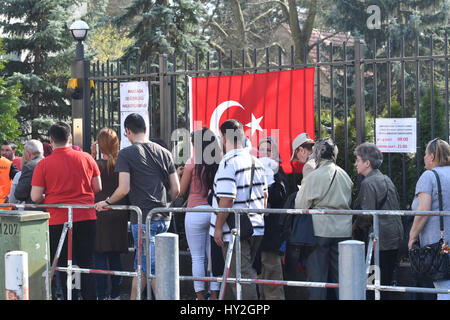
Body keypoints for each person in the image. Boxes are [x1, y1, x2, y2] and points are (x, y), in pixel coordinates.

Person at [94, 113, 180, 300]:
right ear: (146, 129)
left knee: (148, 267)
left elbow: (124, 188)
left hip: (142, 219)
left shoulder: (126, 154)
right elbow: (176, 189)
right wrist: (165, 205)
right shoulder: (164, 152)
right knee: (143, 266)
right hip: (164, 217)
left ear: (127, 131)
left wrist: (107, 202)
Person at [31, 121, 102, 300]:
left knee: (66, 264)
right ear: (69, 137)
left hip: (58, 219)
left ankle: (72, 295)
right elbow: (98, 187)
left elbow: (35, 197)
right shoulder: (86, 158)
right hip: (86, 216)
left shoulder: (43, 164)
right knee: (86, 263)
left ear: (51, 140)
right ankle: (89, 297)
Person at [211, 119, 268, 300]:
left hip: (235, 230)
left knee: (241, 277)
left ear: (223, 138)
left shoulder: (228, 163)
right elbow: (265, 196)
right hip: (256, 226)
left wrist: (218, 227)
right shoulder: (256, 162)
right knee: (239, 274)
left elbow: (227, 199)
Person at [294, 138, 353, 300]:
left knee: (317, 279)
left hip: (319, 231)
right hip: (344, 231)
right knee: (342, 279)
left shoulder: (313, 176)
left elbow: (300, 205)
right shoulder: (345, 175)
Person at [352, 142, 404, 300]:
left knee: (374, 283)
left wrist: (355, 226)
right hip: (394, 236)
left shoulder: (368, 183)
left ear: (367, 163)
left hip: (380, 240)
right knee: (386, 281)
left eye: (358, 160)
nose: (355, 163)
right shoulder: (386, 179)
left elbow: (367, 214)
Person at [177, 127, 221, 300]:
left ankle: (201, 297)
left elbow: (181, 191)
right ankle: (216, 295)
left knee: (197, 257)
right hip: (214, 211)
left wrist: (180, 174)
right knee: (214, 256)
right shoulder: (218, 161)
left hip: (194, 211)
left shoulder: (192, 162)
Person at [408, 138, 450, 300]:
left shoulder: (429, 176)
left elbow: (423, 210)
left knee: (444, 287)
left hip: (440, 243)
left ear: (432, 156)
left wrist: (412, 237)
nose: (424, 158)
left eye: (425, 154)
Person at [91, 128, 130, 300]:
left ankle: (101, 295)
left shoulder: (95, 164)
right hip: (119, 213)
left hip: (99, 212)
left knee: (99, 255)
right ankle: (115, 294)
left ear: (99, 144)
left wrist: (92, 156)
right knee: (116, 257)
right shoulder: (122, 164)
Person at [256, 136, 288, 300]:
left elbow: (279, 196)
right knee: (261, 277)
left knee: (272, 277)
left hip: (272, 233)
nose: (264, 153)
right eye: (261, 150)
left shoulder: (278, 173)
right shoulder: (254, 171)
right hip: (256, 233)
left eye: (268, 150)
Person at [14, 140, 44, 205]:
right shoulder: (49, 163)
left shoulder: (29, 167)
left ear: (27, 153)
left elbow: (20, 194)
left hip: (35, 210)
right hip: (52, 208)